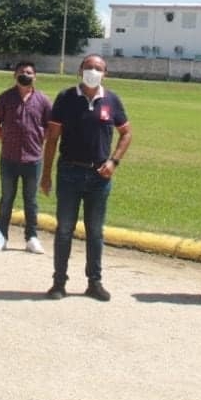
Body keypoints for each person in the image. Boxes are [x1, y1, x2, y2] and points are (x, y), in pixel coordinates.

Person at [40, 54, 131, 302]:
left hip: (99, 176)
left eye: (98, 68)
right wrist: (46, 173)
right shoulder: (66, 98)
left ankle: (94, 282)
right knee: (64, 230)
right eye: (88, 67)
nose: (93, 71)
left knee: (95, 231)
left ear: (106, 73)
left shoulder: (111, 100)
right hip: (69, 172)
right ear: (80, 70)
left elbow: (126, 133)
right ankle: (59, 282)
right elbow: (53, 138)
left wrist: (114, 161)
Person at [0, 61, 51, 253]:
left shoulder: (43, 100)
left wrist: (40, 140)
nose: (26, 74)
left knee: (31, 200)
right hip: (9, 158)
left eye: (29, 72)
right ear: (14, 75)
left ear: (35, 76)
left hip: (33, 159)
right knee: (7, 198)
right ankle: (2, 236)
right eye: (22, 71)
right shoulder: (5, 98)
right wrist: (4, 139)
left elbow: (50, 126)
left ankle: (31, 237)